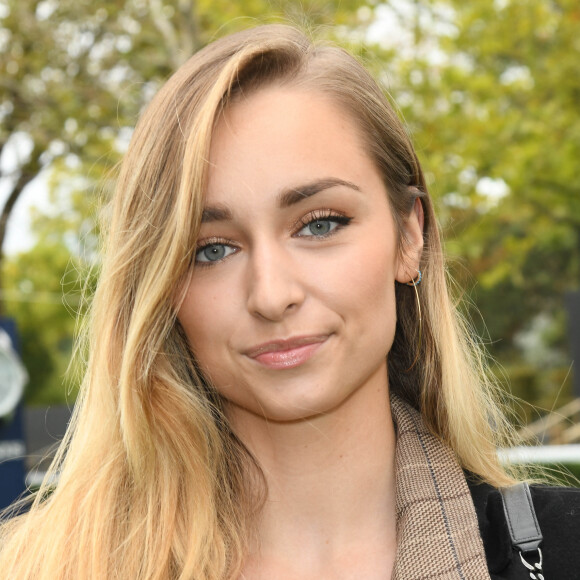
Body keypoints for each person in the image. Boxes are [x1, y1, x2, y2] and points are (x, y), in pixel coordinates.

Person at [0, 24, 578, 580]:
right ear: (159, 289)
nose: (272, 295)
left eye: (320, 224)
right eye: (211, 249)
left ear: (409, 237)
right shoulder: (33, 564)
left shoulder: (561, 550)